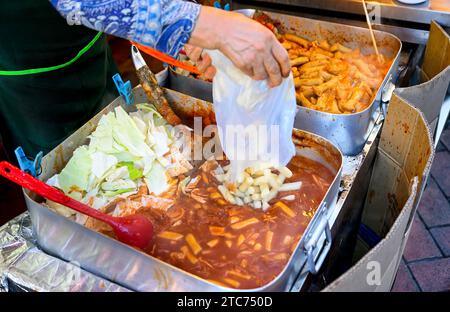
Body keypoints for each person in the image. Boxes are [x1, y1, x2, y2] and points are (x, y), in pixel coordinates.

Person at [0, 0, 290, 160]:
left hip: (90, 44)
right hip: (28, 76)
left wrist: (185, 28)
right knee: (62, 168)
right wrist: (206, 25)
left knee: (118, 138)